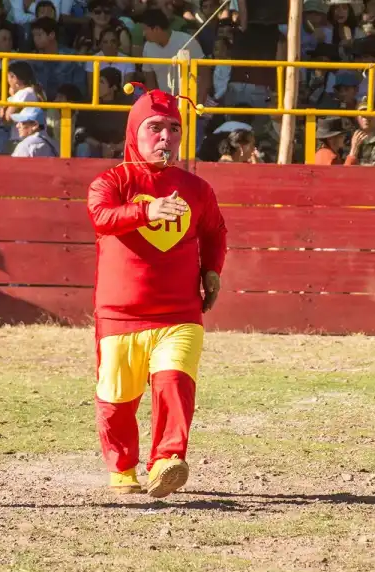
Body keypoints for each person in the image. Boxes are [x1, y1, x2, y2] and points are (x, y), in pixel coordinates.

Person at [86, 81, 227, 498]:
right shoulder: (110, 181)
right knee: (116, 399)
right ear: (134, 133)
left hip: (180, 313)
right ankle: (123, 469)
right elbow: (101, 217)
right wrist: (147, 210)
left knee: (175, 383)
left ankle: (167, 460)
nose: (166, 137)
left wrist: (212, 270)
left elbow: (215, 231)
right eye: (155, 128)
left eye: (174, 129)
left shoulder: (198, 188)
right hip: (119, 316)